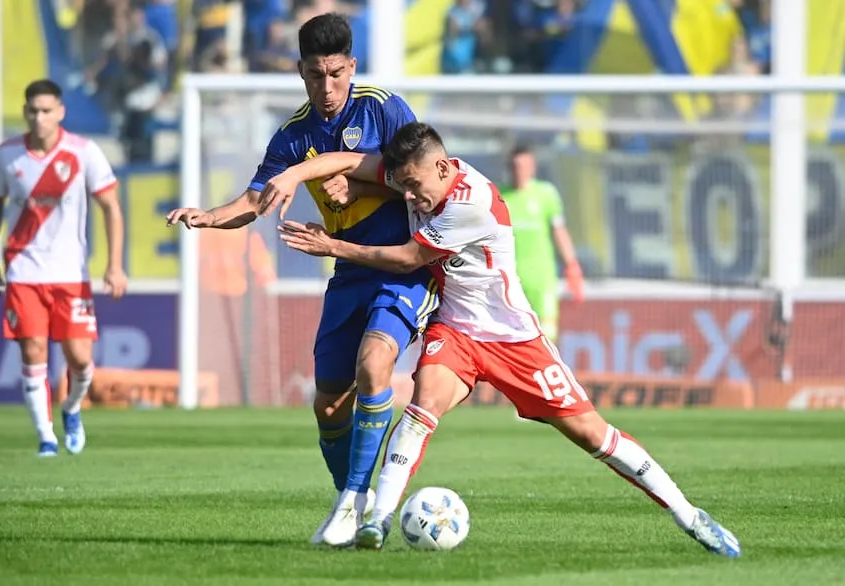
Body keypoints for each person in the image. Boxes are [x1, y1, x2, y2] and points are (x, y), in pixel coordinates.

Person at [266, 122, 742, 557]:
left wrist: (333, 246)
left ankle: (689, 515)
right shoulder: (417, 176)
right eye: (403, 185)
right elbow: (351, 161)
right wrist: (323, 178)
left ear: (444, 167)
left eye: (416, 186)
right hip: (456, 330)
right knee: (421, 406)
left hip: (514, 339)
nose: (410, 196)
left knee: (594, 435)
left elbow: (409, 258)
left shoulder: (471, 203)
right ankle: (377, 521)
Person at [165, 13, 437, 547]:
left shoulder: (383, 107)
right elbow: (254, 200)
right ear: (301, 72)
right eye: (316, 75)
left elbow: (421, 178)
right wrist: (208, 217)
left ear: (352, 66)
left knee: (374, 362)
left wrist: (359, 190)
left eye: (337, 73)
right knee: (328, 402)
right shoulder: (294, 134)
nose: (328, 86)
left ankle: (356, 500)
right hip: (347, 269)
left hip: (401, 264)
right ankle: (351, 502)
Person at [0, 79, 128, 457]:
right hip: (23, 270)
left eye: (46, 110)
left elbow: (111, 206)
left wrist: (115, 265)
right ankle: (45, 437)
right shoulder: (8, 154)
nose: (39, 117)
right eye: (33, 111)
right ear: (25, 111)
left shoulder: (83, 152)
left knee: (80, 360)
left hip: (70, 274)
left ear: (60, 112)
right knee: (32, 352)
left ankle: (72, 407)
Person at [501, 145, 583, 342]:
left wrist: (572, 265)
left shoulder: (546, 194)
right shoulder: (499, 195)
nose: (518, 171)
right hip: (509, 279)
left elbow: (559, 230)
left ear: (532, 168)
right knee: (513, 338)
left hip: (542, 278)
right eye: (514, 166)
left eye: (523, 166)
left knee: (546, 337)